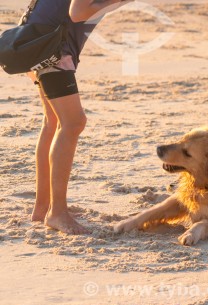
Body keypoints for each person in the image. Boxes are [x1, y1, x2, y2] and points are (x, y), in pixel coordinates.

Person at [27, 0, 131, 234]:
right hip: (52, 52)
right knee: (73, 123)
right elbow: (78, 13)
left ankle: (43, 207)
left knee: (54, 122)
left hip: (36, 44)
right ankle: (57, 213)